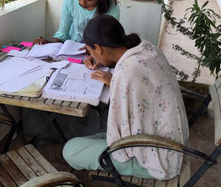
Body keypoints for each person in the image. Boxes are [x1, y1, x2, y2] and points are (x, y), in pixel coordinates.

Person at [63, 15, 189, 180]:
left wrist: (114, 80)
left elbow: (122, 143)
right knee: (89, 137)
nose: (92, 56)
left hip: (158, 158)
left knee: (70, 149)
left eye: (91, 51)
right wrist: (107, 60)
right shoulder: (145, 47)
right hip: (172, 140)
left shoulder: (126, 71)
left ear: (98, 48)